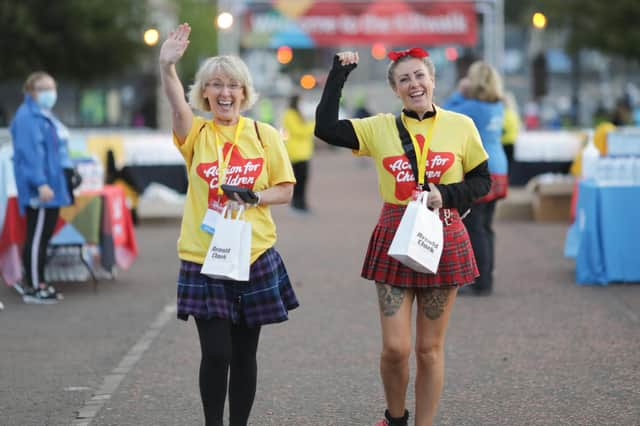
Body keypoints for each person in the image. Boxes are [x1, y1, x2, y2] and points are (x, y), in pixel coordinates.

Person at [315, 49, 490, 426]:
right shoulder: (379, 128)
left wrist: (447, 195)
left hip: (443, 233)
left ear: (432, 80)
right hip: (395, 232)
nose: (414, 85)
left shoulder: (461, 126)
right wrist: (339, 74)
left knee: (429, 350)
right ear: (395, 89)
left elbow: (482, 181)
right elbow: (325, 129)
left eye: (419, 76)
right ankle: (395, 419)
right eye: (405, 80)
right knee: (396, 348)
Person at [159, 23, 299, 426]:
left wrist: (255, 196)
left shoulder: (264, 134)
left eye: (233, 85)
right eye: (216, 85)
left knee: (244, 354)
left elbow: (286, 189)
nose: (225, 93)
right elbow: (175, 106)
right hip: (205, 256)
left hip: (253, 253)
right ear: (204, 92)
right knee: (216, 352)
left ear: (244, 92)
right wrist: (167, 67)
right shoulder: (196, 133)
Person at [443, 61, 506, 297]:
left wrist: (460, 91)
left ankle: (480, 282)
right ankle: (487, 277)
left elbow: (444, 112)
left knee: (474, 226)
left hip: (481, 169)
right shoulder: (498, 105)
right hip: (500, 167)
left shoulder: (471, 106)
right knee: (486, 226)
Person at [10, 71, 74, 304]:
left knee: (43, 237)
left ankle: (40, 282)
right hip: (42, 187)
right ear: (30, 91)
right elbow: (30, 155)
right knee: (36, 237)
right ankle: (34, 286)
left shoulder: (44, 115)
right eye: (42, 88)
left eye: (51, 87)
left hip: (52, 185)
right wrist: (40, 183)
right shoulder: (28, 117)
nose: (49, 93)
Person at [282, 94, 315, 212]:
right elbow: (298, 131)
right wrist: (312, 126)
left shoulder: (298, 114)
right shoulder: (290, 114)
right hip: (296, 153)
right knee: (299, 180)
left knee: (303, 179)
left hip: (304, 152)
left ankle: (302, 203)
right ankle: (296, 204)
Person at [501, 91, 521, 168]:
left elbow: (503, 130)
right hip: (512, 143)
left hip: (504, 144)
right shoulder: (514, 113)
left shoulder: (504, 113)